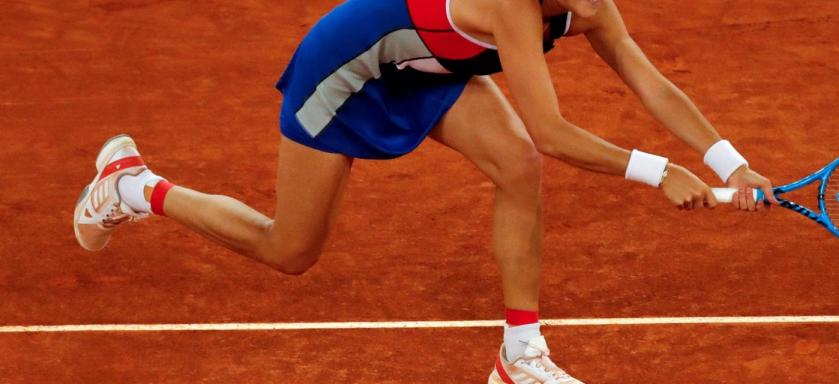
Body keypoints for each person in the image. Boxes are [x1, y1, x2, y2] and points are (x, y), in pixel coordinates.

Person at [73, 0, 775, 382]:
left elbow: (648, 79)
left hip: (425, 69)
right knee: (289, 250)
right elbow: (555, 128)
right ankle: (135, 188)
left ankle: (519, 355)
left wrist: (730, 162)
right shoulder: (513, 3)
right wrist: (660, 171)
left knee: (516, 163)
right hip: (345, 70)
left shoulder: (588, 5)